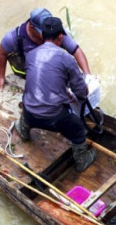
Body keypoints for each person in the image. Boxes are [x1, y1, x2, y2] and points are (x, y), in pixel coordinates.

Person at [12, 16, 96, 172]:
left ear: (42, 36)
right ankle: (82, 161)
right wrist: (83, 94)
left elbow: (40, 80)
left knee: (29, 110)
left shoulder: (31, 55)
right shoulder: (66, 58)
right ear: (60, 37)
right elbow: (80, 91)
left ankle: (23, 130)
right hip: (54, 119)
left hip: (29, 110)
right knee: (78, 130)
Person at [0, 7, 91, 90]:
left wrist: (88, 75)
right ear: (32, 27)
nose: (46, 34)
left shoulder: (55, 32)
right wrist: (1, 77)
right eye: (43, 31)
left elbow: (76, 50)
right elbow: (1, 54)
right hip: (28, 77)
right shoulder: (13, 38)